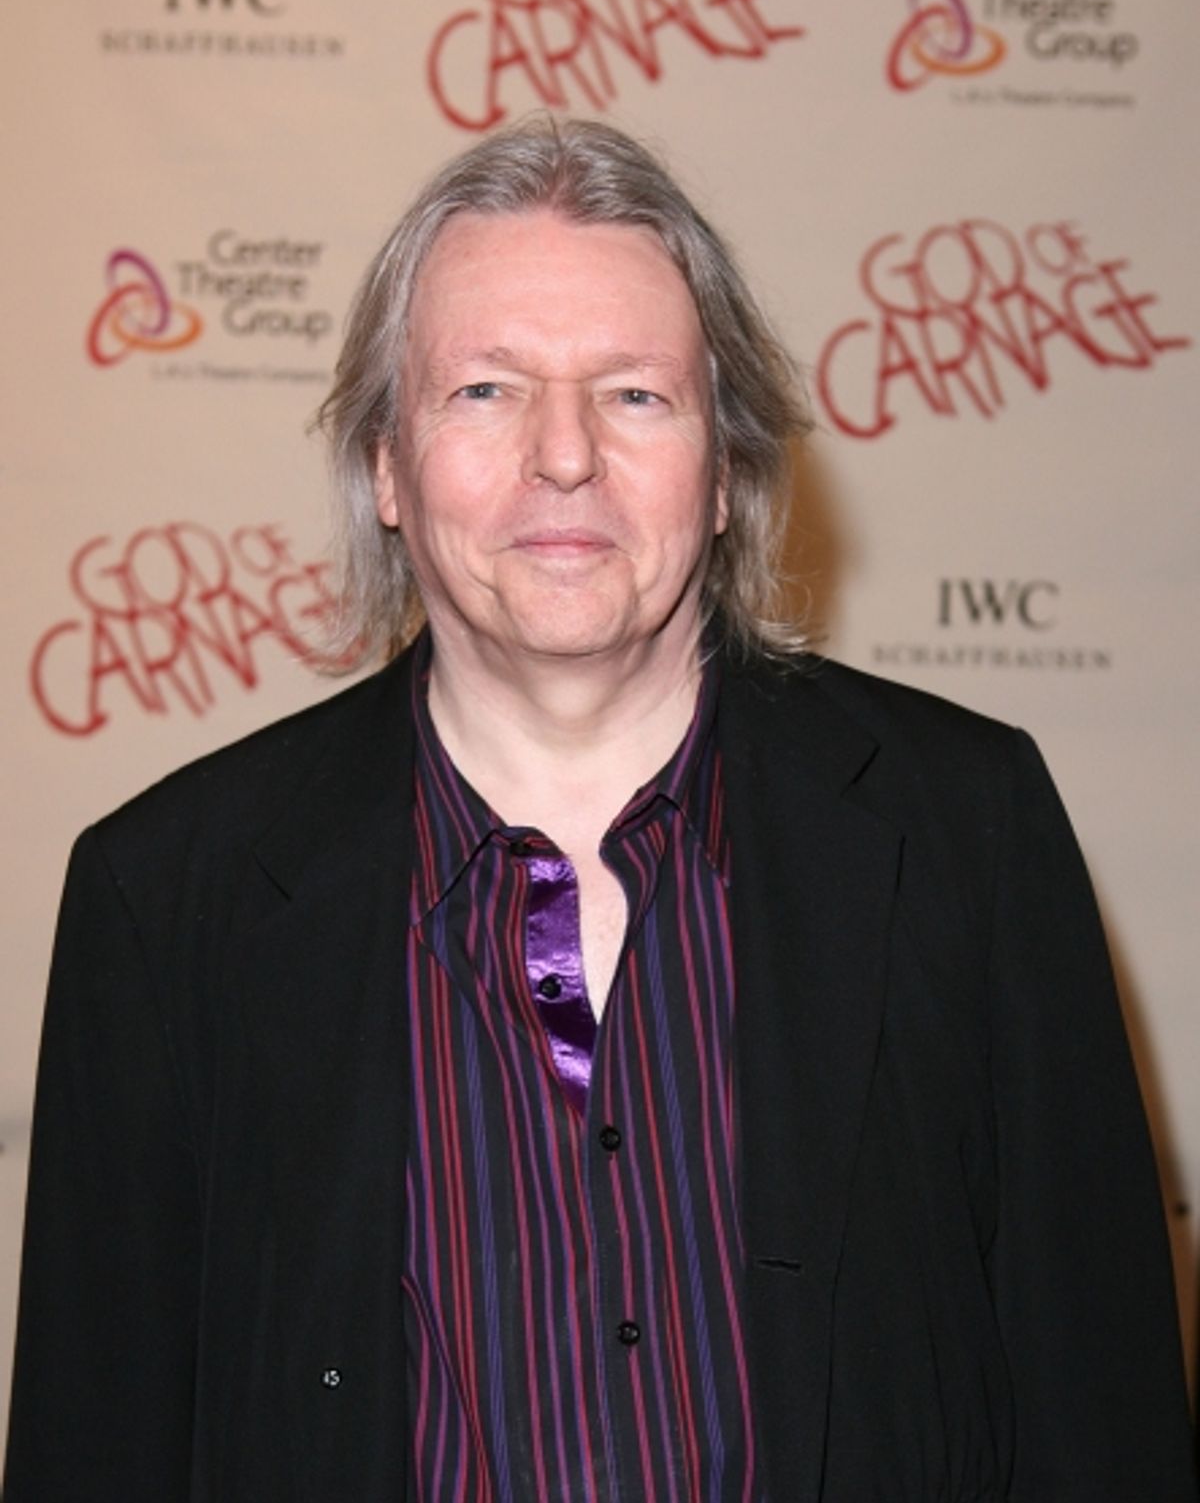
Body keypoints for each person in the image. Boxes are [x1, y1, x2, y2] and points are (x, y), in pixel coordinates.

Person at [5, 116, 1195, 1502]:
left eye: (634, 394)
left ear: (727, 469)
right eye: (485, 390)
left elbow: (1103, 1422)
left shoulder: (969, 833)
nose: (563, 454)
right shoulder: (163, 900)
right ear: (385, 465)